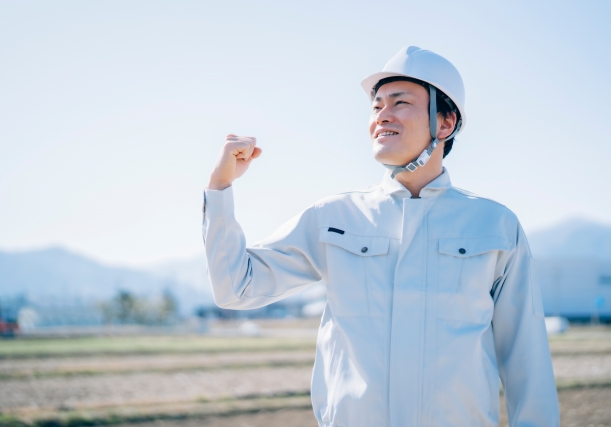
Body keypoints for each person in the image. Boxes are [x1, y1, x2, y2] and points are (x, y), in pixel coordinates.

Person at [202, 46, 560, 427]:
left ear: (445, 123)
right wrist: (220, 186)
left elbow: (527, 359)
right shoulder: (334, 217)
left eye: (400, 102)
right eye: (376, 107)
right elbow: (235, 287)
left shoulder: (495, 225)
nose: (382, 115)